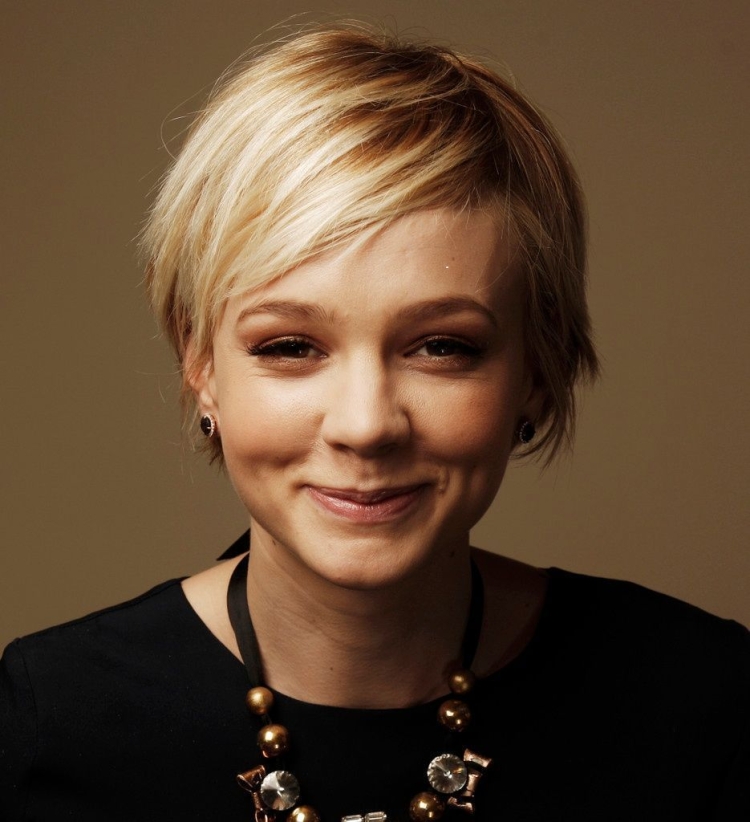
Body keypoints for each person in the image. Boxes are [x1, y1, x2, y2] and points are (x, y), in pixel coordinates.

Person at [1, 22, 748, 822]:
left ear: (538, 371)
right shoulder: (52, 723)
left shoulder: (705, 705)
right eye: (290, 346)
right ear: (202, 365)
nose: (365, 425)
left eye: (442, 347)